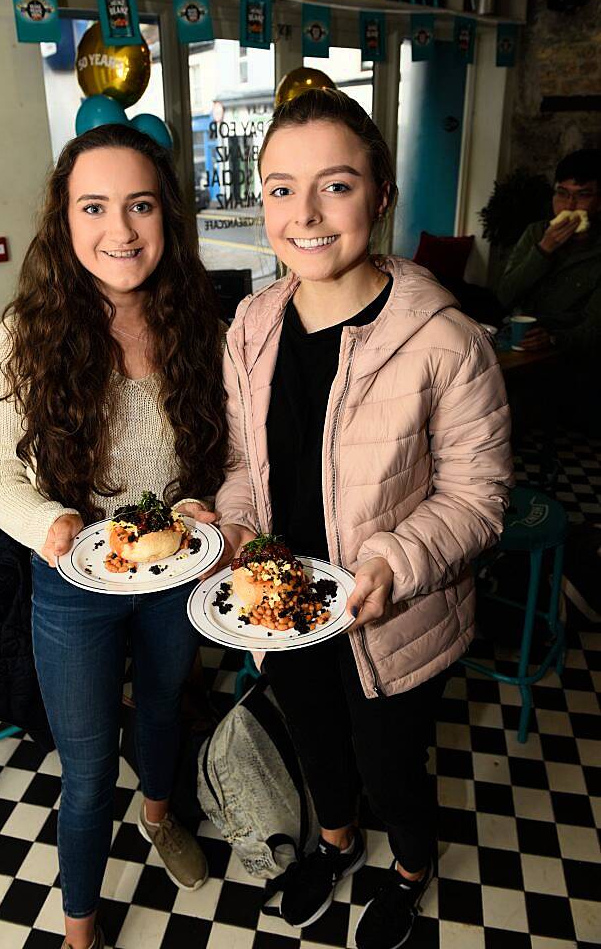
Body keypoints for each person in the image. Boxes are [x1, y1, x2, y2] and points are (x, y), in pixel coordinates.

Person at [213, 89, 513, 949]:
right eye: (279, 188)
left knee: (391, 768)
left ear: (381, 195)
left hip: (395, 616)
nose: (303, 214)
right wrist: (232, 533)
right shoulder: (253, 324)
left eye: (335, 185)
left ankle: (411, 866)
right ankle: (338, 844)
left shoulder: (446, 339)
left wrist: (394, 559)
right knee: (315, 745)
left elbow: (477, 495)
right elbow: (243, 468)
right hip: (285, 606)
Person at [0, 124, 228, 949]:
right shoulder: (26, 333)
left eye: (140, 205)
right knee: (84, 773)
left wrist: (199, 504)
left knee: (161, 710)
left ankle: (159, 816)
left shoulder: (201, 325)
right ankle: (81, 929)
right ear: (65, 220)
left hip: (172, 574)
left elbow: (223, 457)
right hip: (70, 581)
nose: (120, 230)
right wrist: (56, 525)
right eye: (95, 206)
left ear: (167, 218)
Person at [498, 149, 601, 354]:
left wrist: (554, 339)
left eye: (583, 195)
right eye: (562, 194)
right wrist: (543, 250)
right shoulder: (535, 232)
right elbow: (504, 296)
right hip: (515, 340)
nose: (569, 206)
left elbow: (594, 328)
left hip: (567, 356)